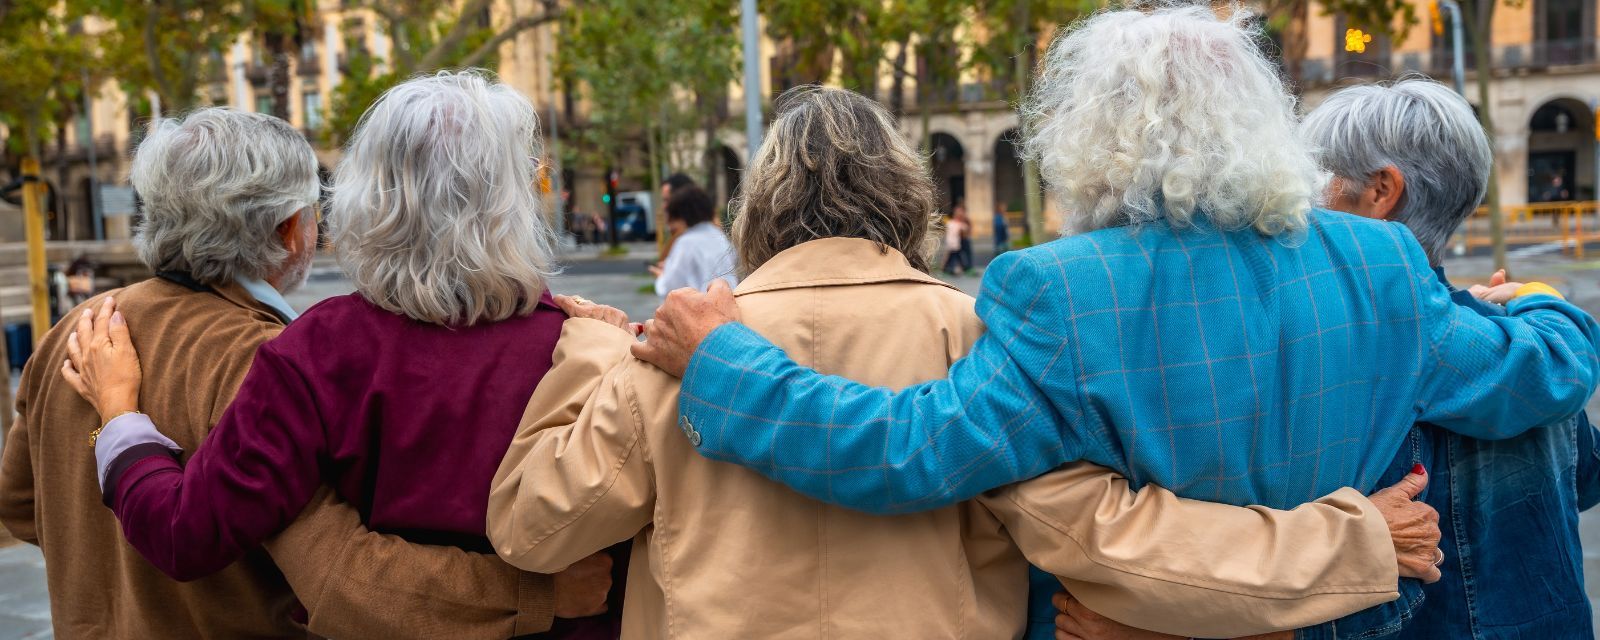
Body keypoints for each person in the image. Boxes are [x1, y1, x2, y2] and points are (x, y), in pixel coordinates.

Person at [628, 8, 1600, 638]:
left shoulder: (1055, 292)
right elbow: (1528, 380)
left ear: (1081, 134)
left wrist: (722, 362)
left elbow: (900, 455)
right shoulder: (1381, 263)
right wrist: (1551, 309)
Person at [486, 86, 1441, 640]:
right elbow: (1107, 541)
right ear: (909, 198)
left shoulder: (677, 345)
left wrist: (591, 344)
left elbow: (532, 530)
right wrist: (1350, 540)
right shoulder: (980, 334)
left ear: (755, 208)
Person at [54, 73, 621, 638]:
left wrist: (120, 418)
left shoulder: (319, 350)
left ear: (368, 195)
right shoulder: (589, 346)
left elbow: (185, 534)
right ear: (516, 199)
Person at [1052, 75, 1600, 640]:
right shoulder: (1524, 342)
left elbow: (1318, 591)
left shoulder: (1330, 351)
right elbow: (1582, 479)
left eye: (1314, 182)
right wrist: (1537, 301)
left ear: (1381, 192)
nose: (1298, 204)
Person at [649, 184, 737, 295]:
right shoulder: (719, 235)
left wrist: (661, 277)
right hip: (731, 299)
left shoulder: (686, 242)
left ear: (680, 215)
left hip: (704, 306)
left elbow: (671, 287)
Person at [941, 201, 973, 275]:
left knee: (955, 255)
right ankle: (948, 268)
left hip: (958, 241)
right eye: (957, 212)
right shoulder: (952, 222)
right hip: (954, 242)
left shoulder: (962, 221)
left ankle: (958, 268)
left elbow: (967, 229)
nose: (959, 214)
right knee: (952, 256)